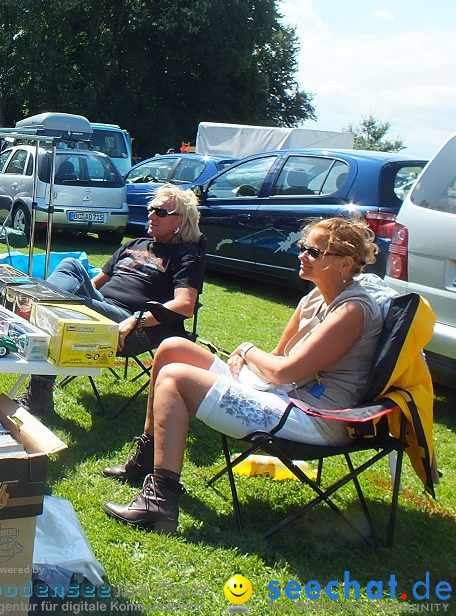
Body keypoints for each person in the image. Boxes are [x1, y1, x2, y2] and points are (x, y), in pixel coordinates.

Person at [102, 216, 383, 535]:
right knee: (172, 347)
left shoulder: (352, 310)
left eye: (313, 252)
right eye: (303, 247)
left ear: (345, 263)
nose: (302, 255)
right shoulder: (315, 297)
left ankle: (159, 500)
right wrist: (252, 362)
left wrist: (247, 351)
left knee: (177, 378)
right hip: (283, 394)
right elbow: (278, 358)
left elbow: (283, 370)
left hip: (316, 417)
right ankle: (147, 458)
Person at [21, 185, 205, 412]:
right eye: (151, 209)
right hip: (102, 306)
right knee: (71, 265)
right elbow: (96, 282)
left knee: (63, 309)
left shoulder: (186, 255)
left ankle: (38, 381)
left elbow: (185, 306)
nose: (150, 215)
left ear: (180, 222)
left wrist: (136, 320)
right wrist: (72, 294)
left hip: (131, 324)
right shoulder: (134, 244)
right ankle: (41, 308)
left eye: (161, 212)